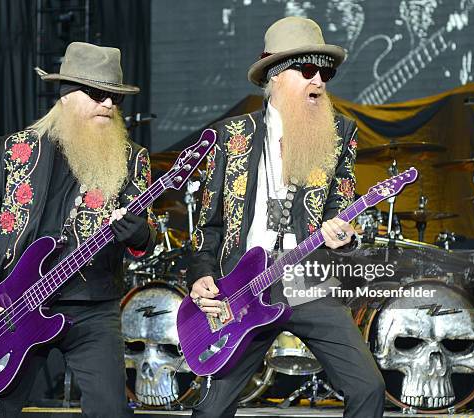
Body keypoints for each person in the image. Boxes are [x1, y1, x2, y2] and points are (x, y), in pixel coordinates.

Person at [187, 17, 385, 417]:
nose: (320, 81)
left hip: (308, 282)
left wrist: (344, 236)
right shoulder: (231, 136)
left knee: (369, 388)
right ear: (275, 76)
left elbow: (339, 210)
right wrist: (200, 274)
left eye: (325, 72)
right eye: (307, 71)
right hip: (241, 290)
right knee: (211, 411)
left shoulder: (339, 133)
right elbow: (207, 223)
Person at [0, 42, 156, 418]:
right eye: (98, 95)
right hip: (13, 304)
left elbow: (147, 235)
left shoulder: (133, 159)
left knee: (112, 410)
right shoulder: (15, 149)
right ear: (66, 95)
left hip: (92, 306)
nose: (109, 105)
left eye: (115, 97)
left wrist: (139, 236)